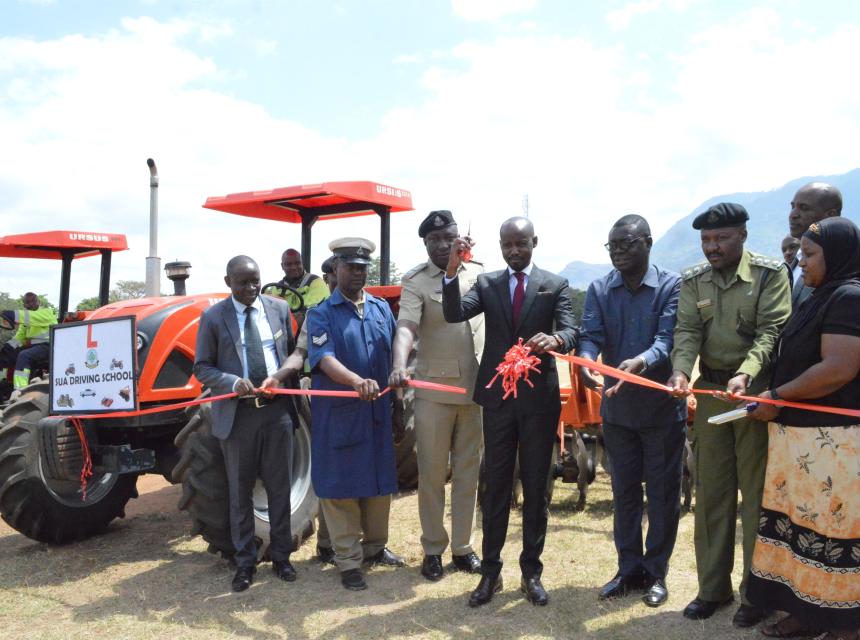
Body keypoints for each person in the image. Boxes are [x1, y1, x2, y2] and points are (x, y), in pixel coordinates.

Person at [442, 217, 578, 607]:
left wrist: (554, 338)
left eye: (521, 244)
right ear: (500, 246)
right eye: (507, 245)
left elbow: (571, 331)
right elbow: (454, 313)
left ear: (534, 241)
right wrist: (452, 269)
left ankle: (531, 574)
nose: (514, 251)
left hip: (539, 403)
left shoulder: (555, 284)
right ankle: (490, 573)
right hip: (498, 401)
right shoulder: (486, 284)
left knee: (537, 488)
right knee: (496, 486)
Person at [668, 203, 792, 626]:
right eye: (705, 240)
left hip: (755, 396)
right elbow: (686, 331)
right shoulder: (693, 281)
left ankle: (755, 595)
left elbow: (772, 331)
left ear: (741, 235)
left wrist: (746, 373)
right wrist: (681, 370)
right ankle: (712, 590)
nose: (712, 247)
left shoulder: (770, 275)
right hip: (710, 393)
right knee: (713, 495)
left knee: (756, 499)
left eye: (720, 238)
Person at [745, 217, 860, 640]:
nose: (800, 261)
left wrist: (777, 396)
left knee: (832, 536)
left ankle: (844, 625)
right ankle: (808, 614)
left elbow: (838, 369)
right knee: (801, 532)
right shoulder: (818, 296)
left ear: (838, 256)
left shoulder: (849, 297)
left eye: (810, 254)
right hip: (802, 444)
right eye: (800, 252)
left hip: (834, 446)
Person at [578, 215, 687, 608]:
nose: (619, 253)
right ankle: (628, 569)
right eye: (612, 247)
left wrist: (639, 361)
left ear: (648, 243)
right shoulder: (598, 288)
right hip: (618, 412)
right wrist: (588, 362)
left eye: (626, 244)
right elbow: (590, 335)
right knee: (624, 493)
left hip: (660, 413)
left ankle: (656, 573)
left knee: (661, 496)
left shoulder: (672, 285)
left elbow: (667, 339)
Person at [193, 256, 300, 592]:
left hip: (277, 412)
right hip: (238, 416)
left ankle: (282, 557)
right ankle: (244, 564)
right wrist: (232, 381)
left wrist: (280, 378)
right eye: (243, 282)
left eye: (255, 281)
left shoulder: (279, 309)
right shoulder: (212, 318)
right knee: (240, 493)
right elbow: (202, 368)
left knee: (280, 488)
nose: (251, 288)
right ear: (228, 282)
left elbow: (293, 354)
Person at [389, 210, 485, 582]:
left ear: (459, 238)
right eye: (435, 240)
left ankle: (463, 548)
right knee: (430, 474)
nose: (443, 246)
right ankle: (433, 548)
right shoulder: (415, 280)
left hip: (475, 391)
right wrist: (399, 365)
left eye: (449, 237)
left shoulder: (478, 273)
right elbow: (406, 327)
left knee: (468, 473)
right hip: (433, 391)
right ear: (425, 243)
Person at [306, 237, 405, 591]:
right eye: (351, 267)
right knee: (341, 487)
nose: (358, 274)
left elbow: (396, 349)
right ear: (336, 269)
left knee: (380, 484)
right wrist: (354, 381)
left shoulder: (380, 309)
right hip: (341, 413)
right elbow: (324, 359)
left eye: (363, 268)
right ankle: (348, 560)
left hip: (378, 412)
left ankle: (376, 548)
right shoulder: (321, 313)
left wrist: (399, 397)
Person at [280, 254, 339, 565]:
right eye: (331, 279)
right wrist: (280, 373)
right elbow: (301, 351)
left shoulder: (372, 309)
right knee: (328, 469)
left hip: (357, 401)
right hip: (324, 396)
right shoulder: (318, 315)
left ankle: (369, 542)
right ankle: (328, 543)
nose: (334, 284)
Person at [787, 182, 842, 308]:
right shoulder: (796, 259)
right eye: (793, 207)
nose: (793, 215)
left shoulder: (841, 265)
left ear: (831, 215)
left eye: (804, 208)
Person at [0, 292, 57, 393]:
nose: (31, 304)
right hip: (33, 348)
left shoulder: (47, 312)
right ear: (24, 305)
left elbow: (31, 317)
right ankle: (3, 387)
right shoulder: (26, 320)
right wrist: (9, 346)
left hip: (48, 347)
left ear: (39, 302)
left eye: (33, 301)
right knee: (5, 356)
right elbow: (20, 336)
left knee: (24, 355)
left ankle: (20, 390)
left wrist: (13, 314)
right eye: (28, 302)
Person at [276, 249, 331, 326]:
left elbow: (311, 311)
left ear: (302, 263)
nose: (294, 267)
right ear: (282, 266)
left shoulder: (315, 282)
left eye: (297, 263)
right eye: (289, 264)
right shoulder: (276, 288)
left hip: (309, 328)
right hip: (283, 328)